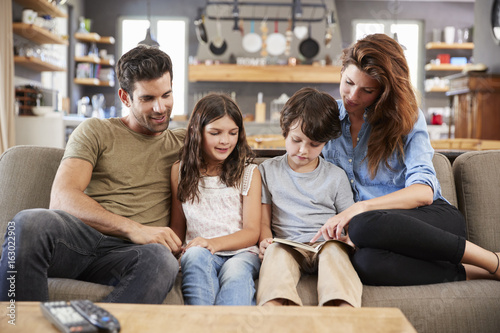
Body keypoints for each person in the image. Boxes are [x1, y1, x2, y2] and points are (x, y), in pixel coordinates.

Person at [0, 45, 186, 303]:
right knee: (28, 223)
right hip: (80, 242)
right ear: (125, 97)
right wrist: (135, 228)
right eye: (147, 98)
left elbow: (235, 148)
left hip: (134, 255)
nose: (160, 107)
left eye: (166, 95)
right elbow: (62, 198)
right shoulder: (96, 130)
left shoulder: (185, 142)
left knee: (161, 261)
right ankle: (19, 327)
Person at [313, 33, 500, 285]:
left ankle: (493, 261)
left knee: (361, 225)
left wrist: (359, 208)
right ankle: (470, 272)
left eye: (367, 90)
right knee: (366, 264)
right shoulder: (327, 117)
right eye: (348, 82)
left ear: (384, 92)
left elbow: (423, 192)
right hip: (374, 234)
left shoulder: (406, 119)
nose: (353, 96)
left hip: (431, 220)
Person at [256, 87, 362, 307]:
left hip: (327, 244)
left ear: (326, 142)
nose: (303, 150)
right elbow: (264, 221)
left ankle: (343, 314)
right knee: (275, 253)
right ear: (285, 130)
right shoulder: (267, 170)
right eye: (296, 140)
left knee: (335, 253)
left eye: (314, 145)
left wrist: (349, 239)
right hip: (288, 245)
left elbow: (349, 220)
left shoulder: (335, 176)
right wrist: (265, 240)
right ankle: (273, 313)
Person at [170, 93, 261, 305]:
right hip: (199, 253)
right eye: (215, 132)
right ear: (196, 132)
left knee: (236, 274)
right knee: (194, 255)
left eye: (232, 133)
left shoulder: (248, 172)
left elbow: (251, 232)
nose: (225, 141)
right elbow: (178, 227)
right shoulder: (179, 171)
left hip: (241, 253)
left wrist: (212, 243)